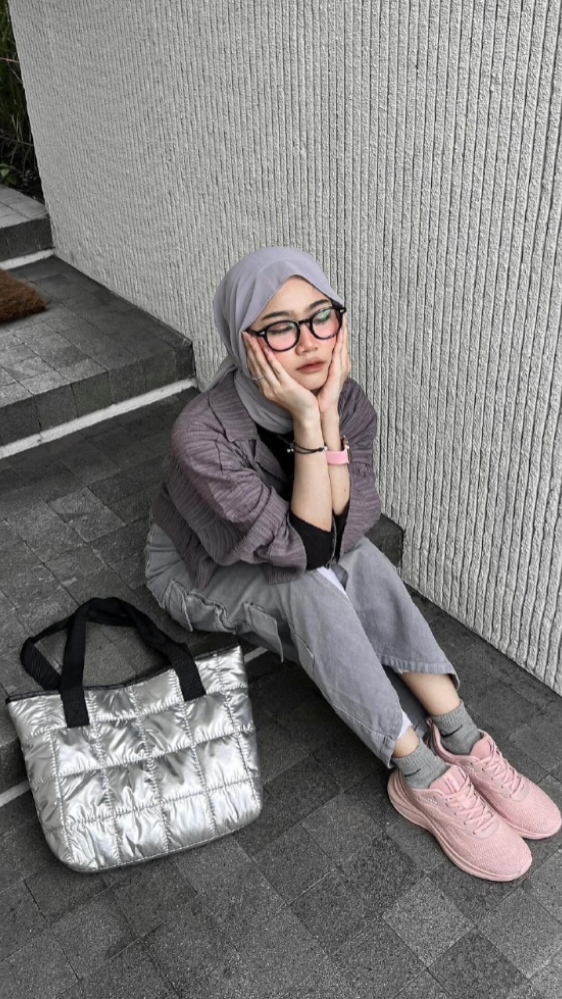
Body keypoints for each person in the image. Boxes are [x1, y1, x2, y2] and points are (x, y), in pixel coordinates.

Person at [145, 246, 561, 882]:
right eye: (279, 327)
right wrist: (308, 419)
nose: (309, 341)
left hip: (303, 542)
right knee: (309, 585)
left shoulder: (350, 401)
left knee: (358, 560)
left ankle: (461, 736)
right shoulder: (202, 434)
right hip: (196, 568)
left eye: (321, 317)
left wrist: (327, 412)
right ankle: (419, 775)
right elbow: (307, 551)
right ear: (242, 339)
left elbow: (347, 528)